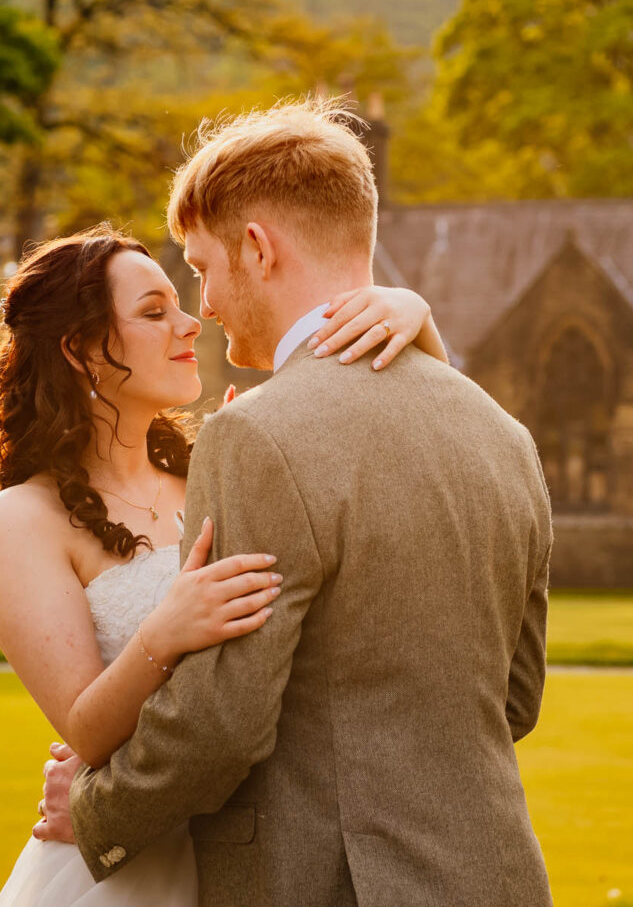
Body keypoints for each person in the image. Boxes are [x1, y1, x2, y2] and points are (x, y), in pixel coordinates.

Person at [38, 97, 554, 906]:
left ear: (256, 248)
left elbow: (221, 724)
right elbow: (515, 698)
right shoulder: (503, 433)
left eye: (203, 269)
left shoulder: (256, 438)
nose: (202, 305)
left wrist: (98, 809)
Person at [0, 218, 448, 907]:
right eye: (153, 312)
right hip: (132, 871)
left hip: (266, 848)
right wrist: (163, 632)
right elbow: (83, 728)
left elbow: (405, 448)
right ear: (79, 349)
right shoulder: (22, 520)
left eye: (181, 300)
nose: (192, 322)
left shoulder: (221, 464)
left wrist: (416, 318)